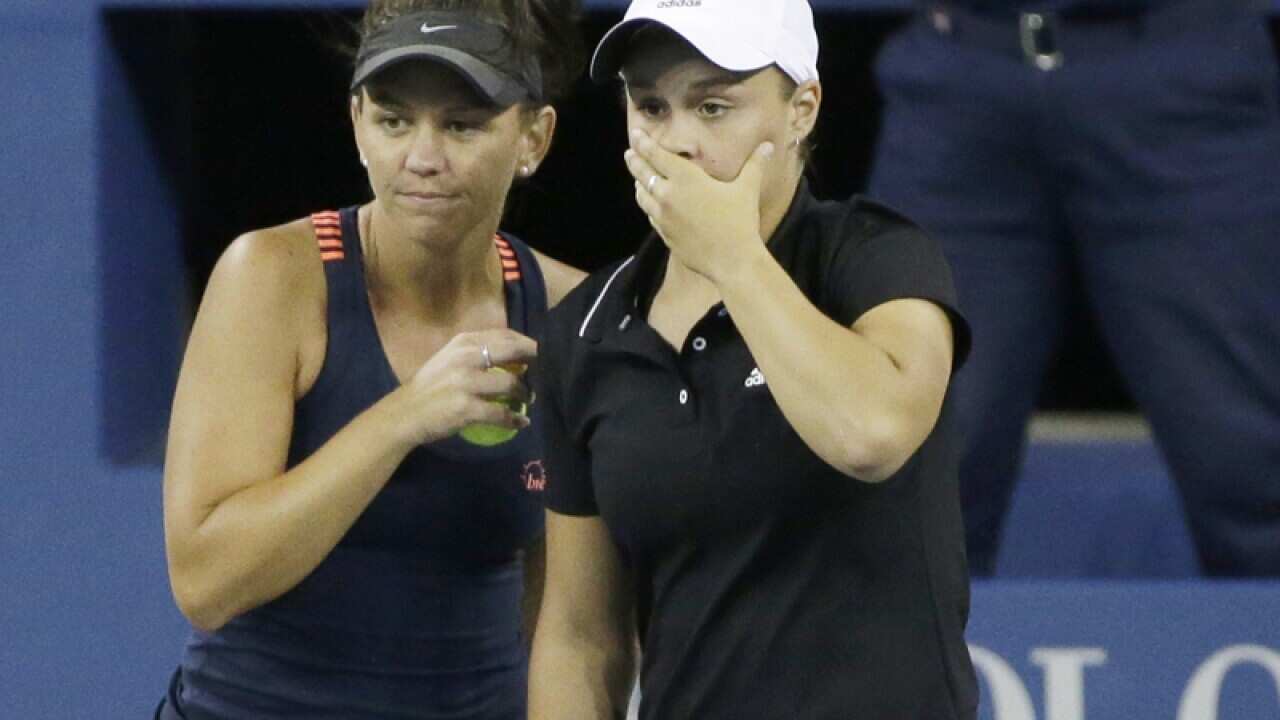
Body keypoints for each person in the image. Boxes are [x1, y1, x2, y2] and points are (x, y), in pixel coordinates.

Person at [528, 1, 979, 717]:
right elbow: (583, 638)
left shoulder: (875, 257)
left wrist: (732, 256)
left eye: (713, 107)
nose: (677, 143)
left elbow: (872, 434)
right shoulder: (583, 331)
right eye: (650, 107)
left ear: (801, 109)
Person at [155, 1, 585, 717]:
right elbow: (206, 581)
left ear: (533, 138)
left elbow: (564, 618)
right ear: (357, 123)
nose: (421, 157)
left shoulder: (569, 314)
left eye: (462, 124)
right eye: (394, 120)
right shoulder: (272, 277)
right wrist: (405, 416)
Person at [868, 0, 1280, 577]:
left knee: (1251, 461)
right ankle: (888, 668)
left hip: (1181, 66)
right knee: (905, 463)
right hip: (962, 70)